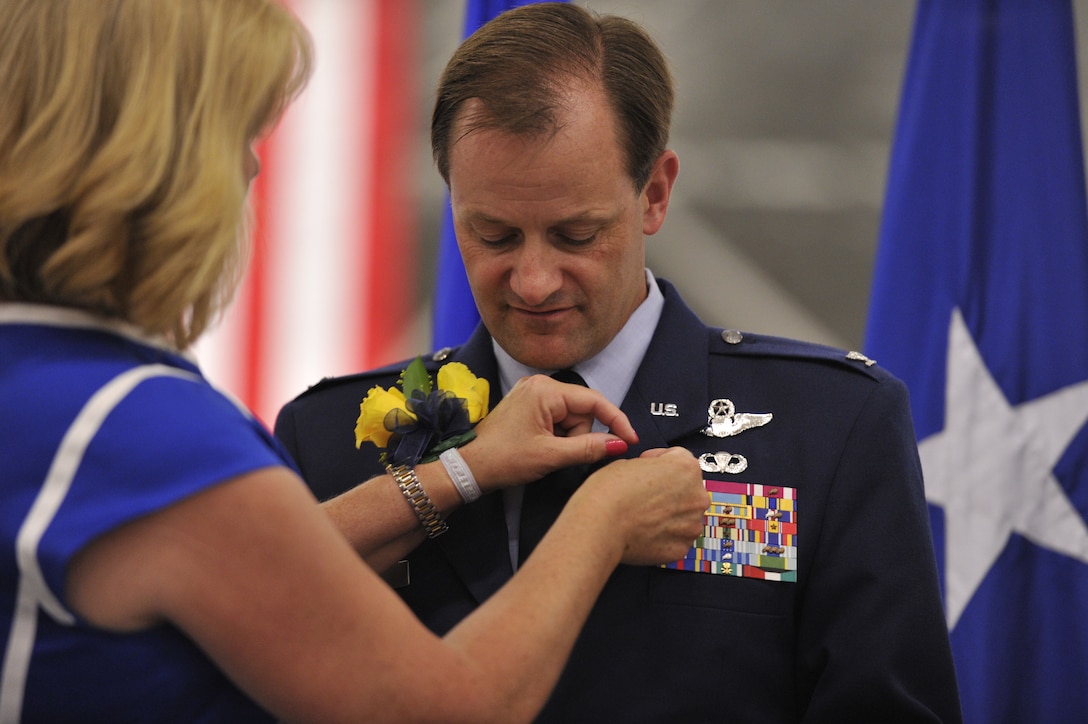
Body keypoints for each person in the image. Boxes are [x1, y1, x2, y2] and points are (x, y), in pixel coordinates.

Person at [0, 1, 711, 721]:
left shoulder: (40, 387)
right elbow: (449, 711)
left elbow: (246, 567)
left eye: (576, 232)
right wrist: (601, 519)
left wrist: (462, 470)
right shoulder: (129, 425)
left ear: (653, 192)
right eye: (238, 131)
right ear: (153, 162)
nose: (250, 166)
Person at [276, 3, 963, 722]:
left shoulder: (832, 430)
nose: (534, 280)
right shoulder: (332, 442)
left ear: (655, 194)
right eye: (495, 234)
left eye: (576, 234)